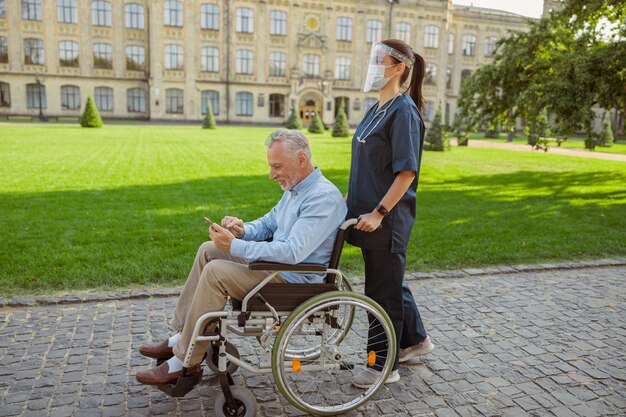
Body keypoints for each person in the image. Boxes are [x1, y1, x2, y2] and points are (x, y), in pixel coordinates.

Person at [135, 129, 347, 386]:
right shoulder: (297, 189)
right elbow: (269, 224)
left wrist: (235, 246)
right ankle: (182, 336)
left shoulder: (322, 197)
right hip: (276, 269)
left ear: (301, 159)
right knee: (209, 250)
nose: (272, 175)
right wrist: (242, 230)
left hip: (293, 280)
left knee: (216, 272)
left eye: (277, 167)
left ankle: (186, 362)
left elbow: (292, 252)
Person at [346, 39, 434, 388]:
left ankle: (383, 364)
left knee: (381, 293)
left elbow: (406, 172)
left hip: (386, 221)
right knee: (391, 283)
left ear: (398, 68)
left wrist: (380, 212)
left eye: (378, 60)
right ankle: (415, 340)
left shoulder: (404, 112)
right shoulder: (376, 108)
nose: (372, 65)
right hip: (365, 215)